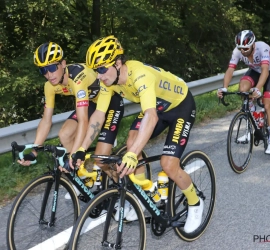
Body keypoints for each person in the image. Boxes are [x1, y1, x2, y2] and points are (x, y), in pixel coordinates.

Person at [71, 35, 202, 233]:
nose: (99, 76)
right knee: (131, 142)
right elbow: (98, 115)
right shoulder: (109, 82)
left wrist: (133, 154)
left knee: (168, 164)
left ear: (117, 63)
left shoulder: (139, 74)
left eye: (101, 69)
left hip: (180, 106)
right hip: (157, 107)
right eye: (95, 71)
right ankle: (143, 195)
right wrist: (81, 149)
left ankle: (195, 203)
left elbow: (151, 115)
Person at [17, 42, 124, 191]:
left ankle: (124, 190)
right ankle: (85, 174)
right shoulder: (49, 86)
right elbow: (46, 120)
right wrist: (35, 151)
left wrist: (74, 154)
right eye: (43, 70)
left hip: (111, 102)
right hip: (92, 103)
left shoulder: (77, 78)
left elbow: (83, 120)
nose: (49, 74)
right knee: (64, 134)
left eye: (52, 68)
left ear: (63, 64)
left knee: (101, 158)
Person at [217, 30, 270, 154]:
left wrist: (258, 88)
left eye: (246, 48)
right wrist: (224, 88)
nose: (243, 51)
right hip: (255, 71)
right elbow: (230, 69)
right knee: (243, 90)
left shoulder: (263, 48)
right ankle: (253, 126)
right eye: (241, 49)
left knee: (267, 103)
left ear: (253, 44)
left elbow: (265, 70)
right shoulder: (237, 51)